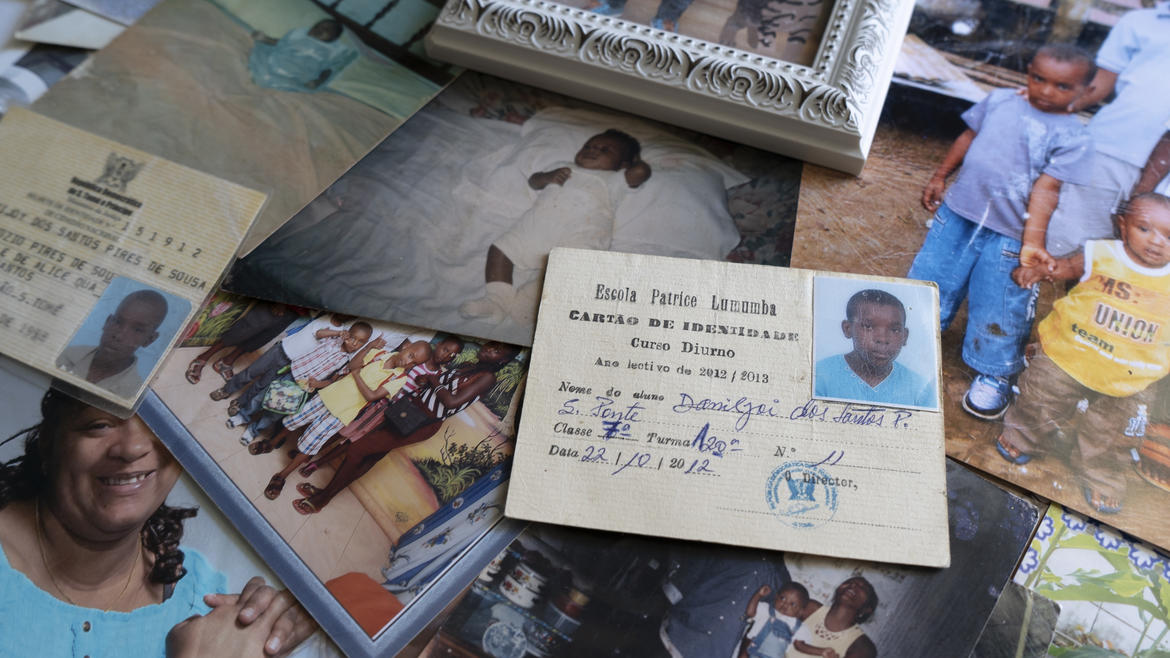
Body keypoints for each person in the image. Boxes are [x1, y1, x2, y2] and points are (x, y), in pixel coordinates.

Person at [0, 387, 316, 656]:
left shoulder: (208, 603)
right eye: (99, 424)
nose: (134, 448)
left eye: (161, 423)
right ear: (49, 441)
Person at [909, 44, 1096, 419]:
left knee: (1000, 302)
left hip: (1013, 233)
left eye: (1061, 86)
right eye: (1038, 79)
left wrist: (1031, 242)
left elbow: (1048, 188)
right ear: (1027, 72)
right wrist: (940, 175)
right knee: (932, 276)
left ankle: (994, 372)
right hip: (959, 214)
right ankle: (909, 339)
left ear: (1086, 92)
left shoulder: (1076, 137)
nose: (1045, 91)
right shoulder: (1000, 101)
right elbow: (968, 137)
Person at [997, 193, 1170, 515]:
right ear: (1123, 225)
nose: (1157, 242)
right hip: (1070, 353)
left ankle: (1102, 475)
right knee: (1041, 399)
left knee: (1115, 433)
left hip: (1131, 375)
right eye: (1144, 229)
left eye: (1169, 237)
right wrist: (1037, 272)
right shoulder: (1101, 254)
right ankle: (1023, 437)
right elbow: (1061, 268)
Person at [290, 341, 520, 515]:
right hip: (409, 411)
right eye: (492, 346)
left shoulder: (487, 376)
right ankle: (324, 494)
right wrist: (425, 384)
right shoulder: (472, 367)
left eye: (497, 352)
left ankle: (323, 498)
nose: (490, 350)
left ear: (502, 361)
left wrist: (432, 381)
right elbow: (443, 391)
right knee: (371, 457)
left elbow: (452, 402)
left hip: (421, 422)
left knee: (357, 450)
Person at [460, 130, 652, 324]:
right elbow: (534, 181)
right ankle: (496, 301)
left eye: (605, 150)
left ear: (624, 163)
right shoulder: (563, 168)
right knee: (500, 249)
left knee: (571, 267)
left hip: (581, 234)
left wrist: (636, 160)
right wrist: (547, 177)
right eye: (588, 146)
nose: (592, 151)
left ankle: (534, 296)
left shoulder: (616, 179)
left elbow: (641, 173)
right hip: (537, 228)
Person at [1043, 5, 1170, 257]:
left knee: (1143, 251)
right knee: (1072, 238)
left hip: (1163, 170)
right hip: (1115, 145)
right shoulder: (1139, 21)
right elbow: (1101, 83)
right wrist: (1058, 108)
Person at [257, 339, 433, 501]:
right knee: (293, 421)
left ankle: (282, 476)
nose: (408, 362)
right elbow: (353, 365)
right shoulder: (379, 353)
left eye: (414, 363)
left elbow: (371, 396)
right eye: (411, 355)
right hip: (327, 396)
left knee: (310, 444)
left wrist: (357, 375)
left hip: (341, 414)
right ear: (405, 346)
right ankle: (272, 443)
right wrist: (369, 347)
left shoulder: (399, 379)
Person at [295, 335, 465, 478]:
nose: (446, 355)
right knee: (339, 426)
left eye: (452, 355)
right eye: (446, 349)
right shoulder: (418, 355)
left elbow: (421, 397)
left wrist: (425, 384)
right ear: (439, 345)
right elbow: (390, 363)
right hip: (363, 397)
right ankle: (308, 454)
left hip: (386, 409)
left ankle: (317, 463)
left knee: (353, 437)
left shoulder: (438, 376)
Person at [221, 319, 373, 446]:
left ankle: (253, 430)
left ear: (365, 344)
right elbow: (319, 333)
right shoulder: (334, 339)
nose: (354, 343)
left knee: (276, 412)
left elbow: (333, 380)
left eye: (360, 342)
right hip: (291, 374)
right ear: (347, 333)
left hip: (303, 388)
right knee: (262, 397)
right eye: (352, 337)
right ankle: (243, 416)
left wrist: (318, 384)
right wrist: (338, 333)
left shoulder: (346, 361)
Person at [814, 289, 936, 408]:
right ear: (847, 328)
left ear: (905, 336)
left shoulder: (920, 389)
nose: (882, 339)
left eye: (895, 330)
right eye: (868, 326)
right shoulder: (819, 376)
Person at [57, 289, 169, 398]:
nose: (119, 336)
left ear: (149, 340)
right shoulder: (65, 355)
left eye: (137, 330)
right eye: (118, 322)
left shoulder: (133, 394)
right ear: (107, 322)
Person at [184, 302, 297, 384]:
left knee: (260, 338)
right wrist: (281, 300)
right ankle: (203, 357)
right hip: (283, 300)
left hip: (297, 311)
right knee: (244, 330)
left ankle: (225, 362)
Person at [248, 19, 357, 93]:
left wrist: (318, 81)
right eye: (317, 26)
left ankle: (271, 81)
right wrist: (266, 39)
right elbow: (281, 43)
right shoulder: (300, 36)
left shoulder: (331, 51)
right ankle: (265, 77)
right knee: (262, 58)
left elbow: (327, 70)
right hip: (282, 61)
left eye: (326, 30)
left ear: (334, 39)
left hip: (299, 75)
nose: (319, 29)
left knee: (291, 84)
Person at [786, 577, 878, 658]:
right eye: (849, 582)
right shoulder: (810, 608)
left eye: (863, 588)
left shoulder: (862, 647)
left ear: (867, 609)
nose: (853, 585)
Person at [740, 582, 812, 658]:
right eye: (783, 598)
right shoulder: (766, 609)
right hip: (751, 652)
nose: (785, 604)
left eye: (792, 604)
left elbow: (802, 645)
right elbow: (750, 613)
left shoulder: (797, 626)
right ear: (776, 597)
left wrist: (821, 651)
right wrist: (758, 595)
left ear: (800, 611)